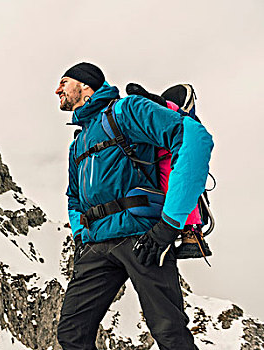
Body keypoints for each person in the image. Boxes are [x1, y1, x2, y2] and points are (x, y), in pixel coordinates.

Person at [55, 62, 213, 350]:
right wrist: (81, 237)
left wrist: (169, 225)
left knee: (169, 334)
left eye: (64, 82)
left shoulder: (126, 111)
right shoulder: (77, 144)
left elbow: (194, 139)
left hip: (144, 237)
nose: (58, 90)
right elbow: (74, 196)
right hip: (96, 245)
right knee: (71, 333)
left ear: (85, 85)